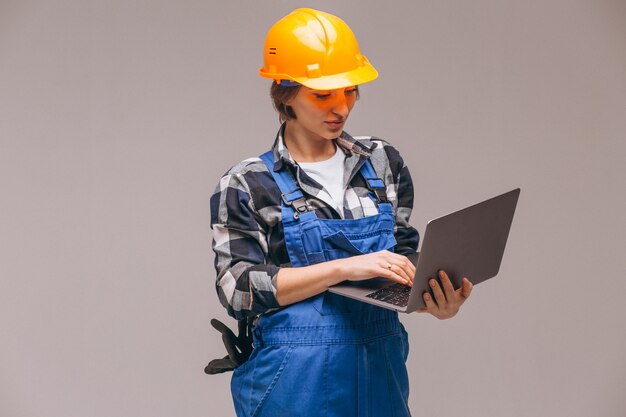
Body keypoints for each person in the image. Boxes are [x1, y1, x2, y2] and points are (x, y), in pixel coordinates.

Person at [210, 8, 473, 417]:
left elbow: (403, 258)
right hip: (292, 383)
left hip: (379, 372)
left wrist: (433, 298)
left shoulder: (383, 162)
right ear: (284, 92)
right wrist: (344, 268)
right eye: (323, 94)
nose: (342, 107)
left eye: (349, 90)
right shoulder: (248, 182)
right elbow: (238, 289)